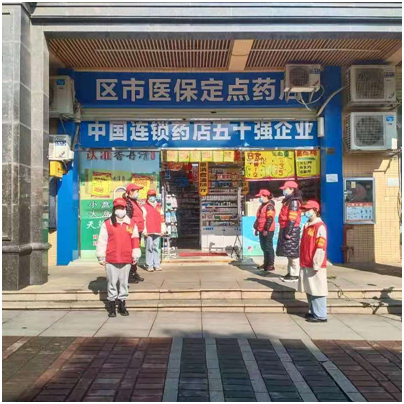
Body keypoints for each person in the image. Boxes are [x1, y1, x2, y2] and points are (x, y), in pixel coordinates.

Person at [96, 197, 141, 317]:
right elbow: (102, 241)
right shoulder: (107, 223)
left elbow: (135, 240)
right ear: (114, 209)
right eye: (118, 208)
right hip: (111, 258)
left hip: (126, 258)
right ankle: (111, 306)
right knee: (111, 283)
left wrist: (135, 255)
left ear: (125, 209)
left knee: (124, 283)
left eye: (122, 208)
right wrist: (101, 256)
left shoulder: (131, 223)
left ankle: (122, 305)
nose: (120, 210)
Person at [298, 200, 328, 323]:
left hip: (315, 263)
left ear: (315, 210)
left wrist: (317, 263)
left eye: (308, 210)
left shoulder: (319, 227)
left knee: (318, 289)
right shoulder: (307, 225)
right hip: (306, 261)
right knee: (310, 289)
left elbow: (321, 247)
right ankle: (313, 311)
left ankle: (320, 315)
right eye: (305, 210)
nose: (306, 212)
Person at [277, 180, 303, 282]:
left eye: (285, 189)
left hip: (291, 230)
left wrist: (288, 232)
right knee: (289, 253)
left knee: (293, 254)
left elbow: (292, 218)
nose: (284, 191)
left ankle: (295, 275)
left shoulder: (294, 202)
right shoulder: (288, 201)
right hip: (287, 228)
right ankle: (290, 273)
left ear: (292, 189)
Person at [124, 183, 145, 284]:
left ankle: (133, 272)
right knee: (132, 253)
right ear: (130, 192)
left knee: (136, 252)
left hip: (138, 231)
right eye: (136, 191)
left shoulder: (134, 202)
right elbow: (128, 219)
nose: (138, 193)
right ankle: (129, 275)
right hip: (132, 232)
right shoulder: (128, 203)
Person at [253, 189, 276, 272]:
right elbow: (259, 218)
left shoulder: (269, 206)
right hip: (261, 229)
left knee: (268, 247)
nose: (259, 198)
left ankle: (271, 264)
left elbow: (270, 218)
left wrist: (266, 229)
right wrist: (256, 228)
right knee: (263, 247)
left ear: (266, 196)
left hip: (268, 230)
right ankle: (266, 263)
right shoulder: (262, 206)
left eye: (260, 196)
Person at [143, 189, 165, 272]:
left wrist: (163, 229)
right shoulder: (144, 207)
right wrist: (144, 231)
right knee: (149, 248)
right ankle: (149, 265)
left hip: (157, 230)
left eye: (153, 196)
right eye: (150, 196)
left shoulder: (158, 206)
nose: (152, 197)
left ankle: (157, 264)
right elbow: (143, 219)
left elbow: (162, 218)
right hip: (148, 231)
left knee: (156, 248)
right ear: (148, 196)